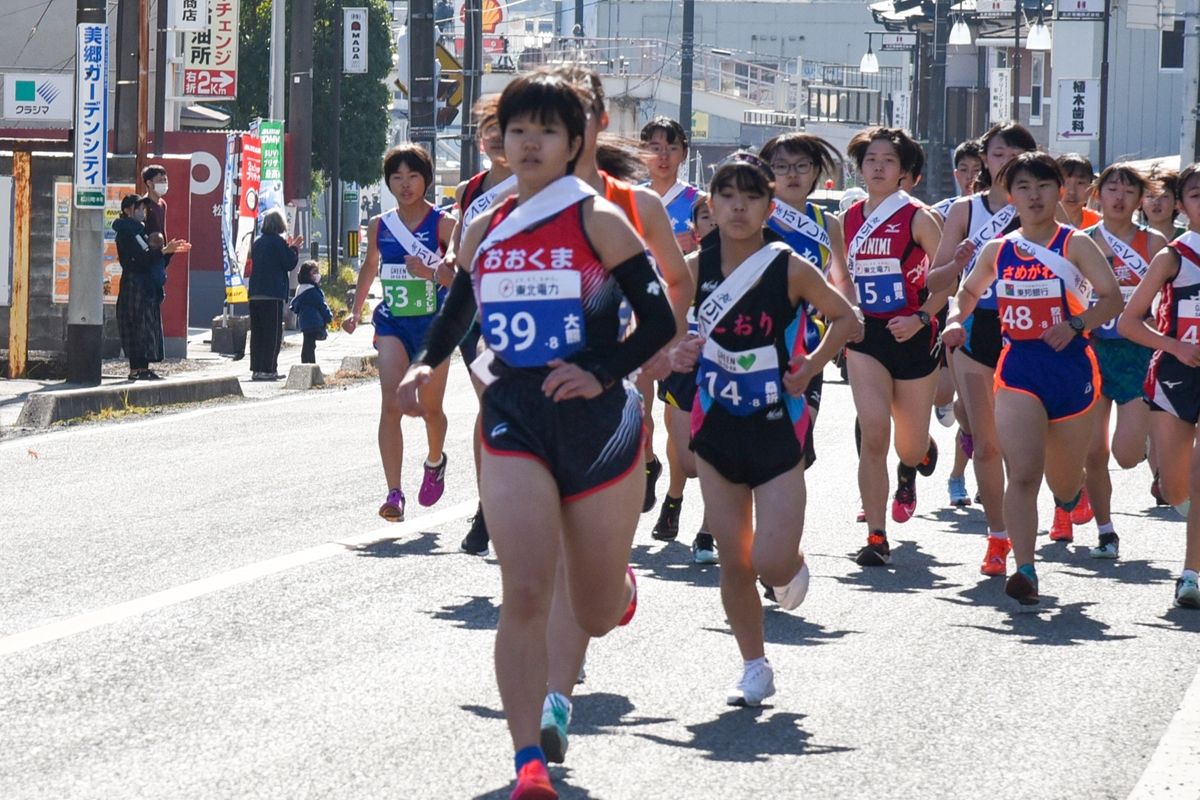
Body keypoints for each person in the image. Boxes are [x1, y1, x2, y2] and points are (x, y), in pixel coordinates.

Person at [396, 71, 677, 800]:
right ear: (498, 139)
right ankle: (527, 760)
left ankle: (613, 588)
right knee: (523, 588)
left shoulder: (600, 221)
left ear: (575, 143)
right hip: (515, 412)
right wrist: (422, 366)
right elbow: (456, 314)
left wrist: (599, 371)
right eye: (517, 129)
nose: (528, 142)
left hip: (598, 423)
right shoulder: (485, 225)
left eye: (546, 131)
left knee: (591, 611)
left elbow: (658, 323)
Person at [536, 64, 690, 767]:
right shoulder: (510, 200)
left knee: (582, 555)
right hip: (529, 395)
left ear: (594, 123)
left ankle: (603, 600)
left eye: (580, 114)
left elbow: (675, 284)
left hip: (612, 389)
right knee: (546, 548)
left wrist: (658, 350)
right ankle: (554, 697)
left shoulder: (633, 203)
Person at [671, 152, 858, 706]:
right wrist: (676, 350)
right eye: (726, 195)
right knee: (734, 559)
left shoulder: (788, 265)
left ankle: (791, 566)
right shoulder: (693, 267)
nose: (737, 206)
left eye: (750, 197)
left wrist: (812, 364)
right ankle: (754, 666)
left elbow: (849, 318)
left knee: (770, 562)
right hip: (716, 428)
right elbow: (653, 322)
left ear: (769, 207)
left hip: (778, 428)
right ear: (710, 204)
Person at [943, 152, 1122, 604]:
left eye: (1043, 186)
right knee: (1022, 472)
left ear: (1059, 192)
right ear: (1010, 196)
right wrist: (954, 318)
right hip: (1020, 367)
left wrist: (1076, 326)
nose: (1034, 195)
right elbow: (966, 292)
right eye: (1023, 187)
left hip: (1071, 370)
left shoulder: (1075, 243)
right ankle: (1025, 568)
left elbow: (1112, 299)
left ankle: (1072, 495)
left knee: (1061, 482)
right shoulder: (997, 250)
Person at [927, 122, 1037, 574]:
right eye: (996, 153)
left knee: (1026, 450)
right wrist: (956, 261)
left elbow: (1077, 272)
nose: (1004, 161)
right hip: (975, 328)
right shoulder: (964, 210)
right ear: (984, 159)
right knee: (988, 446)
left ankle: (1057, 498)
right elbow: (934, 281)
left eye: (1014, 153)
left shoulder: (1040, 208)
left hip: (1030, 331)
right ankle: (997, 537)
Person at [842, 127, 947, 567]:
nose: (878, 167)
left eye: (888, 160)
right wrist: (845, 314)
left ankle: (918, 457)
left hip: (914, 334)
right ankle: (876, 535)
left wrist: (922, 316)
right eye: (871, 160)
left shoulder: (920, 217)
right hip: (868, 337)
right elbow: (842, 277)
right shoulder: (848, 218)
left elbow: (947, 280)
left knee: (906, 447)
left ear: (904, 171)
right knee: (873, 433)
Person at [343, 144, 456, 521]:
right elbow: (370, 266)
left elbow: (460, 276)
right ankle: (394, 492)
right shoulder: (380, 225)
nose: (405, 184)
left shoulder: (443, 225)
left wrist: (430, 272)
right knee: (391, 402)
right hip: (392, 321)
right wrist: (355, 310)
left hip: (434, 325)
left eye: (413, 176)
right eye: (397, 177)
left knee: (430, 409)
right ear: (388, 181)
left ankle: (435, 460)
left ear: (426, 178)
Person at [1117, 162, 1200, 607]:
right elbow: (1130, 322)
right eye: (1196, 194)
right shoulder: (1173, 255)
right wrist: (1176, 346)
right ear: (1183, 204)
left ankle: (1191, 574)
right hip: (1175, 373)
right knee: (1174, 488)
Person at [1077, 164, 1169, 557]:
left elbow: (1168, 300)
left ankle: (1152, 440)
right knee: (1092, 452)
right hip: (1092, 349)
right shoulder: (1081, 242)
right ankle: (1106, 531)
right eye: (1111, 189)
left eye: (1128, 192)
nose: (1119, 197)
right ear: (1098, 195)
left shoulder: (1154, 244)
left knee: (1126, 455)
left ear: (1140, 200)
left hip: (1137, 352)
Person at [446, 95, 515, 555]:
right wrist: (453, 254)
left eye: (501, 129)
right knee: (491, 403)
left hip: (530, 310)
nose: (492, 138)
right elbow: (458, 235)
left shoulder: (540, 185)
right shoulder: (469, 190)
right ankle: (487, 505)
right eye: (485, 131)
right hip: (477, 312)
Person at [113, 194, 189, 381]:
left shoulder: (140, 231)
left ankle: (141, 368)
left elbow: (153, 260)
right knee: (137, 326)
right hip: (135, 284)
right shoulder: (127, 232)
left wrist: (168, 253)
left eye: (144, 209)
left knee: (145, 327)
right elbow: (140, 259)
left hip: (145, 285)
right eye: (139, 208)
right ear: (128, 210)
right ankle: (137, 369)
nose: (143, 212)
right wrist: (163, 251)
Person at [248, 208, 303, 381]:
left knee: (257, 333)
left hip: (255, 292)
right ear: (280, 224)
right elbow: (289, 263)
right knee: (272, 334)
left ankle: (256, 368)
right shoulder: (278, 242)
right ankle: (269, 369)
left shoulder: (257, 242)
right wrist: (294, 248)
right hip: (272, 294)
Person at [290, 261, 333, 364]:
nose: (317, 274)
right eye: (314, 272)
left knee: (307, 344)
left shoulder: (300, 289)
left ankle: (306, 364)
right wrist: (328, 317)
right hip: (314, 321)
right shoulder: (313, 291)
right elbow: (322, 305)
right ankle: (311, 366)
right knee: (310, 346)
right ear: (307, 275)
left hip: (304, 322)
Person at [932, 139, 984, 219]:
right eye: (964, 170)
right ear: (956, 174)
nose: (970, 176)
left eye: (976, 170)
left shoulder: (996, 212)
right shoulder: (940, 212)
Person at [1142, 166, 1187, 241]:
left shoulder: (1189, 238)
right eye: (1150, 196)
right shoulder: (1130, 239)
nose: (1156, 202)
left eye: (1164, 196)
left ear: (1176, 202)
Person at [1059, 153, 1101, 229]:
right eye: (1064, 183)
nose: (1072, 191)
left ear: (1091, 188)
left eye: (1080, 183)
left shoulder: (1099, 224)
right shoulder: (1039, 222)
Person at [141, 164, 169, 237]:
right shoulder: (143, 205)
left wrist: (167, 248)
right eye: (160, 180)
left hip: (161, 247)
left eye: (165, 180)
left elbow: (163, 230)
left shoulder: (162, 204)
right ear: (149, 183)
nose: (164, 183)